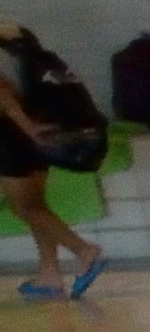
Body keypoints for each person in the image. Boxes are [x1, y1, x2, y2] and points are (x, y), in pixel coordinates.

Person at [2, 18, 101, 302]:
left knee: (25, 207)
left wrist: (26, 127)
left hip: (10, 134)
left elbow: (2, 90)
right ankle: (49, 275)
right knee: (36, 206)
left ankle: (84, 251)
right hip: (32, 129)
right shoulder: (16, 43)